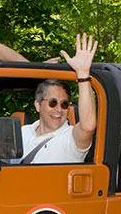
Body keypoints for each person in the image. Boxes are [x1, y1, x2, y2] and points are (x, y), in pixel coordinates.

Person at [20, 33, 98, 164]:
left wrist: (83, 74)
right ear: (38, 105)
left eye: (64, 104)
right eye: (52, 103)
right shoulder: (23, 132)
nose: (59, 110)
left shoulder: (69, 139)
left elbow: (88, 126)